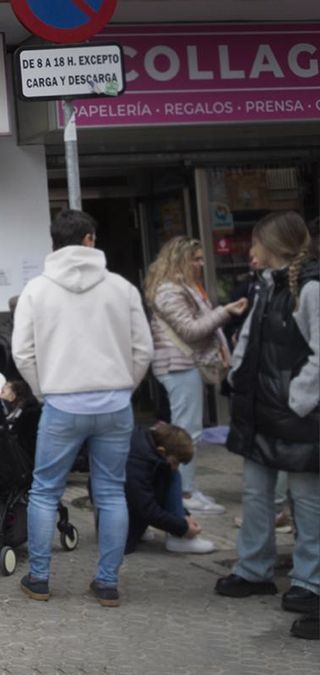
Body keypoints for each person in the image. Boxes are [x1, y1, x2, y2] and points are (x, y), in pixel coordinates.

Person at [12, 209, 153, 607]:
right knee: (110, 492)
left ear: (54, 242)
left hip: (62, 404)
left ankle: (39, 579)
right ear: (90, 239)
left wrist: (45, 392)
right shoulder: (121, 288)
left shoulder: (36, 290)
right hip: (115, 403)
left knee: (44, 491)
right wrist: (124, 388)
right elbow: (143, 349)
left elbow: (23, 353)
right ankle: (107, 583)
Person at [215, 211, 318, 642]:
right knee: (256, 494)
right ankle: (253, 569)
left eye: (255, 242)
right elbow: (249, 340)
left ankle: (310, 581)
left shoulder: (310, 287)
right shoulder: (265, 285)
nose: (250, 250)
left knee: (306, 501)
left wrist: (299, 399)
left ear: (273, 245)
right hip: (261, 411)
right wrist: (237, 378)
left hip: (298, 416)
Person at [146, 236, 247, 516]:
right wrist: (224, 312)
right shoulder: (170, 291)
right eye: (196, 259)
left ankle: (186, 488)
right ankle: (184, 492)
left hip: (182, 365)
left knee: (188, 428)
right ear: (180, 260)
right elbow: (190, 330)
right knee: (187, 431)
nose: (201, 264)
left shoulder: (180, 288)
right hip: (178, 365)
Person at [124, 422, 216, 555]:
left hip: (124, 509)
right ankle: (178, 538)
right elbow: (146, 507)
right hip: (119, 522)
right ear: (161, 451)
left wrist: (184, 515)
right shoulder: (137, 462)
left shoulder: (145, 449)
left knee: (170, 473)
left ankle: (175, 531)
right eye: (175, 462)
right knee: (171, 474)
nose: (175, 467)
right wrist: (182, 528)